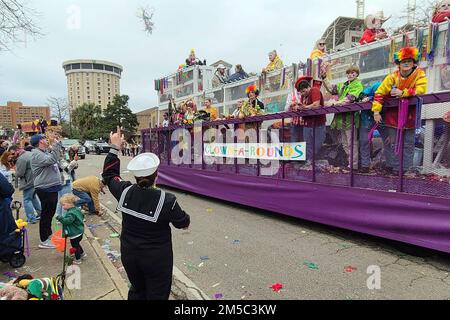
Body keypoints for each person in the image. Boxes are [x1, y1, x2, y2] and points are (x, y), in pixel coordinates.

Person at [102, 127, 191, 300]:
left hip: (129, 255)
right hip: (156, 259)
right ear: (156, 175)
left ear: (135, 176)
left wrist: (114, 148)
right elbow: (182, 222)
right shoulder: (167, 200)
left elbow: (109, 174)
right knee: (157, 294)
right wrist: (186, 219)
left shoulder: (124, 191)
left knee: (137, 291)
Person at [372, 47, 428, 174]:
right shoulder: (392, 77)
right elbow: (379, 93)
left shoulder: (420, 73)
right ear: (399, 64)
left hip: (410, 116)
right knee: (394, 143)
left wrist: (404, 92)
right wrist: (376, 111)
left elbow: (422, 89)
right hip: (392, 117)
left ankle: (407, 169)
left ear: (414, 62)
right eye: (403, 61)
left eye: (409, 60)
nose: (406, 63)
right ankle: (395, 169)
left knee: (408, 143)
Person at [323, 65, 364, 169]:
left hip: (351, 119)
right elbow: (332, 89)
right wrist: (324, 77)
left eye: (353, 73)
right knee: (345, 143)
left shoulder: (358, 85)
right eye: (349, 73)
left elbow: (349, 99)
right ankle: (350, 163)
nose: (350, 75)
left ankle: (353, 166)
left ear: (357, 74)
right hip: (341, 119)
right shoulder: (343, 85)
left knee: (352, 143)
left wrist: (333, 103)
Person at [30, 133, 62, 249]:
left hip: (51, 187)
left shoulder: (43, 152)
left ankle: (48, 235)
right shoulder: (36, 154)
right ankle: (43, 240)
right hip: (45, 187)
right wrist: (55, 145)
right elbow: (52, 160)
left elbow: (55, 158)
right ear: (39, 142)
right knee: (46, 214)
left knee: (50, 213)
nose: (46, 139)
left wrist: (56, 144)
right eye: (43, 138)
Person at [296, 78, 327, 163]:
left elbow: (316, 105)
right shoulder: (303, 96)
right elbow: (304, 106)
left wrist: (305, 107)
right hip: (307, 123)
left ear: (308, 87)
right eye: (301, 92)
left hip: (318, 123)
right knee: (308, 144)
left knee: (317, 144)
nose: (302, 93)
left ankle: (314, 161)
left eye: (303, 91)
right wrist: (300, 107)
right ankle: (309, 162)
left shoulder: (314, 90)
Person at [358, 81, 382, 173]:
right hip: (367, 117)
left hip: (382, 115)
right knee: (364, 141)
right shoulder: (377, 85)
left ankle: (392, 166)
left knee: (390, 140)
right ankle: (365, 166)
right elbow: (361, 95)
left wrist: (371, 98)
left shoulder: (393, 87)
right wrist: (366, 98)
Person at [56, 194, 86, 265]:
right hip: (79, 231)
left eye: (64, 205)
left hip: (75, 233)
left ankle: (78, 259)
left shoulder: (71, 213)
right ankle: (83, 254)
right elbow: (82, 215)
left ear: (70, 204)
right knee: (77, 244)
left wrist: (59, 218)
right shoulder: (76, 209)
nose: (62, 207)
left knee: (75, 246)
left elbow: (67, 221)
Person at [15, 147, 41, 224]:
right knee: (33, 198)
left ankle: (31, 218)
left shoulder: (22, 158)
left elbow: (20, 173)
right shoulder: (31, 154)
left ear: (17, 151)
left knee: (27, 199)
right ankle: (40, 214)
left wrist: (14, 173)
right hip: (37, 180)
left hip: (28, 181)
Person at [285, 77, 304, 143]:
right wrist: (291, 104)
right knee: (294, 141)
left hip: (305, 122)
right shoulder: (291, 94)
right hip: (294, 123)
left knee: (304, 141)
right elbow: (286, 109)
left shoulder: (306, 93)